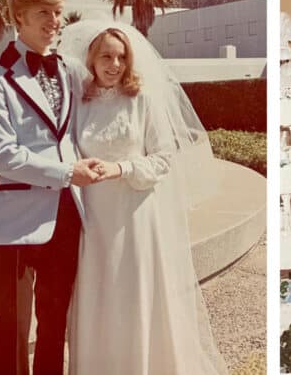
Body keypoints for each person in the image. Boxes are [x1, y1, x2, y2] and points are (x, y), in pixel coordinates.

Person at [56, 20, 228, 375]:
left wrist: (119, 169)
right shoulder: (79, 102)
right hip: (95, 220)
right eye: (106, 56)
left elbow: (163, 159)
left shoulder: (141, 99)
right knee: (101, 296)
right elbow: (59, 146)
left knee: (136, 295)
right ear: (91, 58)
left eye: (121, 57)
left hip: (135, 216)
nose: (114, 65)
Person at [0, 0, 100, 375]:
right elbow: (2, 153)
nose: (55, 21)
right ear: (18, 17)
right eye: (44, 11)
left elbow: (108, 96)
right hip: (12, 221)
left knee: (54, 323)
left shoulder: (70, 70)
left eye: (58, 12)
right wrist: (66, 172)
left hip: (65, 216)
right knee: (10, 329)